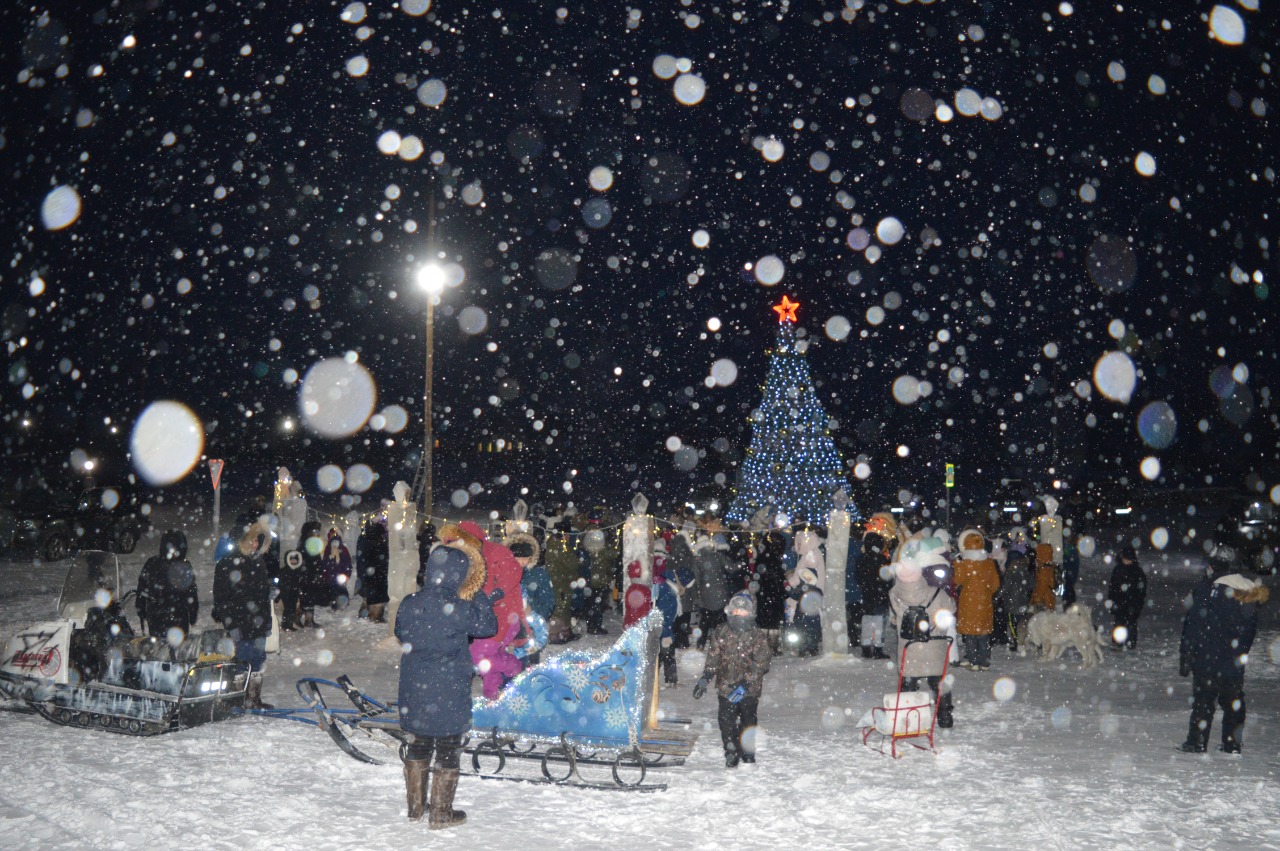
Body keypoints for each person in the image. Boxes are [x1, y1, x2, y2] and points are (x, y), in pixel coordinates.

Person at [395, 535, 497, 828]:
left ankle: (416, 808)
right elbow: (488, 626)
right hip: (448, 688)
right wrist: (476, 592)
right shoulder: (458, 607)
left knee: (418, 745)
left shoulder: (409, 602)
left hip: (415, 687)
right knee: (448, 747)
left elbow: (402, 633)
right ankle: (440, 814)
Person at [1178, 546, 1269, 754]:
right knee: (1233, 702)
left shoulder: (1207, 590)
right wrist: (1237, 653)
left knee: (1203, 703)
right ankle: (1232, 743)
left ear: (1215, 566)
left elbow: (1193, 625)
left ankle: (1197, 742)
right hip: (1233, 663)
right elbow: (1248, 632)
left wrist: (1187, 653)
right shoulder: (1248, 593)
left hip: (1206, 659)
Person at [692, 592, 773, 767]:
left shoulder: (757, 636)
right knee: (726, 721)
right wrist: (705, 678)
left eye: (743, 611)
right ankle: (730, 751)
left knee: (748, 720)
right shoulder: (721, 631)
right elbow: (713, 657)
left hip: (749, 688)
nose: (739, 614)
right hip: (726, 686)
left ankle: (748, 750)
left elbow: (762, 663)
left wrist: (746, 683)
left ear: (750, 613)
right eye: (736, 610)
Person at [889, 552, 957, 728]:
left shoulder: (894, 595)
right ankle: (945, 716)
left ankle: (909, 718)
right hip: (935, 645)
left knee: (909, 683)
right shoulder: (936, 593)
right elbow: (951, 607)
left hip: (910, 649)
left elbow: (893, 619)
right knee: (940, 682)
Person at [212, 519, 274, 709]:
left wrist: (267, 622)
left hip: (258, 624)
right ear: (242, 541)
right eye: (253, 540)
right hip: (240, 623)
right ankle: (237, 700)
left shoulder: (258, 562)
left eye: (258, 540)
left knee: (258, 660)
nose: (256, 544)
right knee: (241, 662)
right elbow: (222, 599)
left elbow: (263, 597)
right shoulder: (226, 564)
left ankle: (253, 699)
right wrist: (232, 625)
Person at [135, 529, 198, 643]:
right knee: (177, 647)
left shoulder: (152, 563)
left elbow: (142, 588)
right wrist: (193, 611)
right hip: (178, 613)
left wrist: (141, 606)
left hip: (156, 613)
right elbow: (191, 592)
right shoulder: (184, 565)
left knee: (160, 647)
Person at [953, 528, 1000, 671]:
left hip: (969, 601)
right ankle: (984, 661)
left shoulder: (966, 563)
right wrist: (985, 592)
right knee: (983, 632)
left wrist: (957, 565)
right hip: (984, 601)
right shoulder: (989, 563)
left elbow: (958, 580)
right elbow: (995, 584)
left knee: (970, 632)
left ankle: (973, 660)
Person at [857, 520, 894, 659]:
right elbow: (888, 579)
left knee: (866, 621)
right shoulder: (882, 560)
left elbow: (858, 577)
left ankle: (866, 647)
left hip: (867, 595)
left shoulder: (861, 559)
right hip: (880, 595)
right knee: (879, 623)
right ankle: (878, 648)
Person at [753, 530, 789, 654]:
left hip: (765, 593)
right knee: (773, 621)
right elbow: (778, 577)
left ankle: (764, 645)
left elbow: (757, 576)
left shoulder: (762, 557)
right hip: (773, 593)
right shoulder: (774, 558)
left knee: (765, 620)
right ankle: (773, 646)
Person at [1106, 545, 1147, 650]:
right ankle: (1119, 642)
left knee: (1131, 622)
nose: (1126, 560)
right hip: (1119, 601)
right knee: (1120, 621)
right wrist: (1111, 600)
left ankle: (1130, 642)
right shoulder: (1118, 570)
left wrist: (1138, 602)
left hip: (1132, 602)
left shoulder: (1137, 571)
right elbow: (1113, 587)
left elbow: (1141, 589)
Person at [357, 519, 390, 622]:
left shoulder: (365, 541)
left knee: (370, 596)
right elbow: (381, 558)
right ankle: (375, 616)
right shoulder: (376, 543)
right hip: (376, 575)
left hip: (371, 574)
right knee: (376, 598)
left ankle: (367, 614)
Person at [786, 567, 824, 657]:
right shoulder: (813, 589)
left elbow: (793, 594)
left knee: (806, 631)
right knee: (808, 631)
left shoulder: (803, 588)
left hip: (806, 614)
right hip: (808, 615)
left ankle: (807, 648)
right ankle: (810, 648)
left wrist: (789, 589)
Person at [298, 521, 327, 628]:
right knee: (308, 598)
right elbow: (309, 559)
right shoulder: (308, 542)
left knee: (309, 597)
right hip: (308, 575)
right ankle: (307, 620)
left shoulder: (308, 541)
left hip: (310, 574)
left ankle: (307, 619)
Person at [321, 529, 354, 610]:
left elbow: (348, 564)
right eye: (333, 544)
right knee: (333, 593)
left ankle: (343, 604)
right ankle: (334, 606)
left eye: (336, 544)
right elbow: (324, 565)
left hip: (340, 577)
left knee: (342, 591)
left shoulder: (343, 553)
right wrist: (330, 557)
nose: (335, 546)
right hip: (331, 577)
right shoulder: (328, 553)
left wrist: (347, 574)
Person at [1061, 533, 1081, 610]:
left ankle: (1068, 604)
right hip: (1070, 573)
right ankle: (1069, 605)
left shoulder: (1069, 549)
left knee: (1068, 590)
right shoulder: (1072, 550)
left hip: (1069, 573)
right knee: (1069, 590)